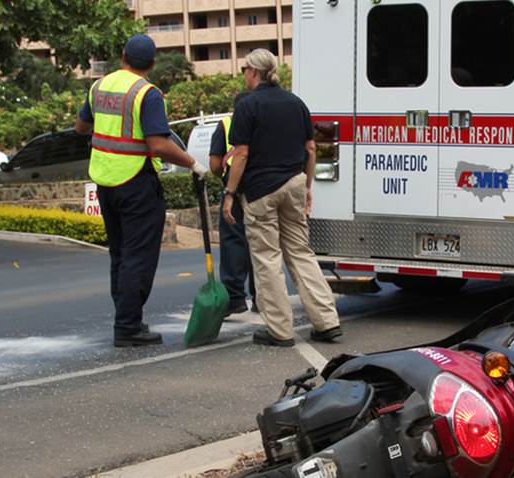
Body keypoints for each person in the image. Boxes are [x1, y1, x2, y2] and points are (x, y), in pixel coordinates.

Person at [75, 34, 207, 347]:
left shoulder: (99, 86)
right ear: (152, 64)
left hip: (105, 181)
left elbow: (81, 127)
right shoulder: (147, 94)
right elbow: (159, 145)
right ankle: (128, 326)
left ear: (123, 56)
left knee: (120, 254)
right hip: (135, 181)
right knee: (138, 256)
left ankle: (126, 317)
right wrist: (193, 163)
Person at [222, 49, 342, 347]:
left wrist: (230, 193)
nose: (244, 75)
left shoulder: (247, 106)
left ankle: (280, 330)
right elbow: (311, 148)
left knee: (267, 258)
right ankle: (327, 322)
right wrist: (308, 186)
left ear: (253, 71)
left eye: (244, 70)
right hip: (295, 183)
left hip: (262, 190)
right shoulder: (296, 103)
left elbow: (241, 154)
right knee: (301, 252)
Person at [209, 92, 256, 316]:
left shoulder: (226, 124)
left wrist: (225, 182)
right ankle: (262, 298)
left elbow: (215, 163)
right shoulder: (264, 121)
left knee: (233, 240)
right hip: (263, 184)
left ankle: (235, 298)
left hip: (235, 187)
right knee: (261, 241)